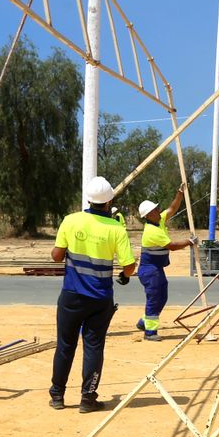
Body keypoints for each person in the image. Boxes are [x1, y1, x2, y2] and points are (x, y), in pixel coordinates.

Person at [48, 175, 136, 412]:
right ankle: (88, 399)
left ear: (88, 199)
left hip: (71, 295)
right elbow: (129, 266)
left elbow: (56, 256)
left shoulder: (70, 221)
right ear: (109, 202)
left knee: (65, 345)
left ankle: (57, 395)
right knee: (94, 347)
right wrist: (124, 275)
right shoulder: (116, 228)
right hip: (100, 298)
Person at [135, 183, 196, 340]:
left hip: (156, 268)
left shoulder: (158, 220)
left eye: (156, 209)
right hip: (149, 270)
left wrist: (179, 193)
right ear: (148, 216)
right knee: (154, 298)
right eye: (154, 210)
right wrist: (189, 241)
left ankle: (144, 321)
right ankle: (150, 332)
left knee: (162, 297)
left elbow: (172, 209)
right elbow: (173, 246)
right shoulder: (152, 231)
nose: (157, 211)